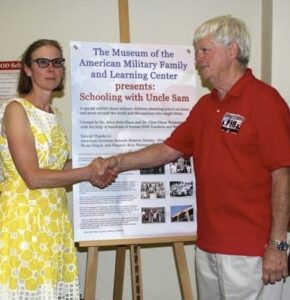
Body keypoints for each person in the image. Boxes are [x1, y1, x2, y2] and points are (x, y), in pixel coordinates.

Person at [100, 15, 290, 299]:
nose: (197, 58)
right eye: (197, 51)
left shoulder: (265, 101)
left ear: (232, 50)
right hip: (208, 246)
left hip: (252, 251)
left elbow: (283, 175)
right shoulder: (205, 106)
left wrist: (278, 244)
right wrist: (117, 162)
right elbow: (167, 149)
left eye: (205, 50)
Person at [0, 39, 116, 299]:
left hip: (53, 217)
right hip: (23, 220)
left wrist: (101, 164)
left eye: (57, 62)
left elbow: (57, 167)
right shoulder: (16, 110)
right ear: (28, 69)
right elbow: (33, 176)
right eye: (42, 62)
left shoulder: (55, 114)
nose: (51, 68)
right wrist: (88, 171)